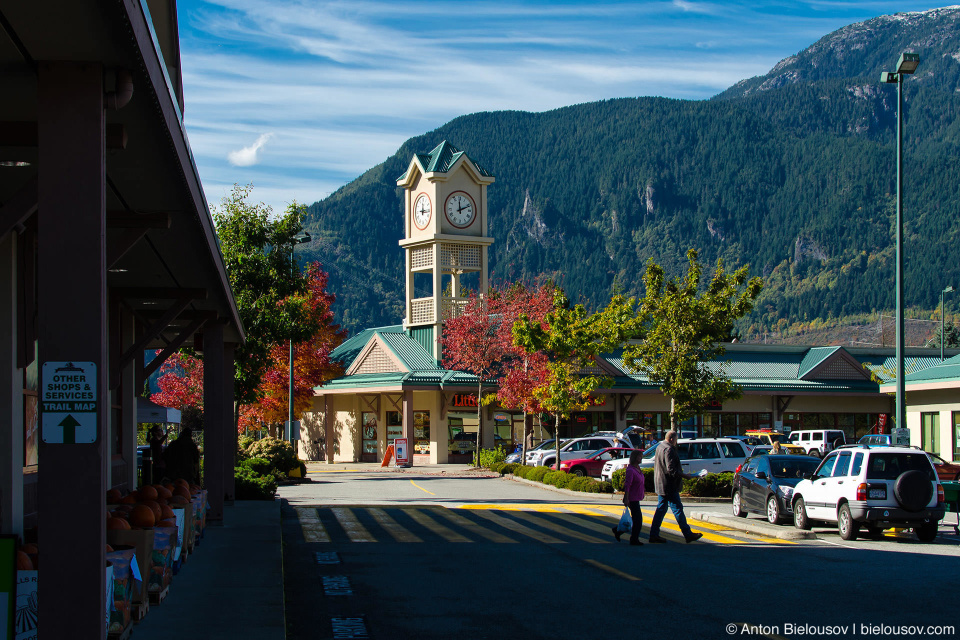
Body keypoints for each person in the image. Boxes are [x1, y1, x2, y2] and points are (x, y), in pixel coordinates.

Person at [648, 430, 703, 543]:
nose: (676, 442)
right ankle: (687, 534)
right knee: (677, 508)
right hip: (669, 485)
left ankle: (654, 534)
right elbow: (671, 470)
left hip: (661, 483)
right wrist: (686, 476)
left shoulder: (660, 446)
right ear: (672, 439)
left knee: (661, 509)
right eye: (676, 440)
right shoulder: (669, 449)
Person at [612, 449, 646, 545]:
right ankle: (634, 539)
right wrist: (626, 497)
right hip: (632, 498)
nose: (641, 458)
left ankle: (618, 530)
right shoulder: (631, 470)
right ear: (635, 458)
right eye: (639, 456)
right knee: (638, 520)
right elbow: (628, 485)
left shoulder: (637, 468)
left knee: (634, 519)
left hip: (637, 497)